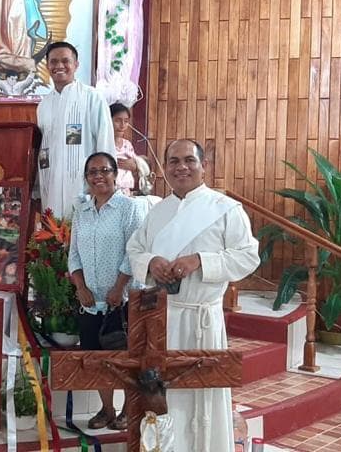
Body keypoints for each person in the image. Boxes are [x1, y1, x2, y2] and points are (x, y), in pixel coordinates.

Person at [126, 139, 260, 452]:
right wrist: (151, 262)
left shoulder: (225, 209)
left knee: (203, 396)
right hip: (164, 320)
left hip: (202, 320)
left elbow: (248, 257)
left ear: (204, 165)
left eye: (189, 160)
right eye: (174, 161)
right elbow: (135, 249)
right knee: (166, 396)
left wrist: (200, 261)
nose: (181, 167)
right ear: (166, 168)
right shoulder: (157, 211)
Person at [68, 152, 145, 431]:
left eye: (104, 170)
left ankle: (127, 409)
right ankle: (107, 409)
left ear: (115, 174)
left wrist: (119, 287)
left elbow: (134, 252)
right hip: (91, 302)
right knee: (97, 359)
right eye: (92, 172)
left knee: (124, 357)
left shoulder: (129, 208)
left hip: (122, 301)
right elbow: (73, 255)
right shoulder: (82, 212)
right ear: (86, 178)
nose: (98, 176)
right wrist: (81, 287)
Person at [35, 42, 115, 218]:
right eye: (54, 62)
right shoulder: (43, 105)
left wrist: (104, 186)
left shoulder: (92, 98)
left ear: (76, 64)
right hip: (52, 187)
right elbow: (43, 150)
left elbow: (105, 143)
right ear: (47, 66)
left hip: (84, 188)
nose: (59, 66)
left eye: (65, 61)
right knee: (53, 239)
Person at [110, 103, 143, 195]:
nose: (122, 125)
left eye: (126, 121)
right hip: (109, 192)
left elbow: (137, 167)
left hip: (126, 192)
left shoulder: (127, 145)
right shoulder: (104, 144)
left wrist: (134, 166)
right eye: (118, 120)